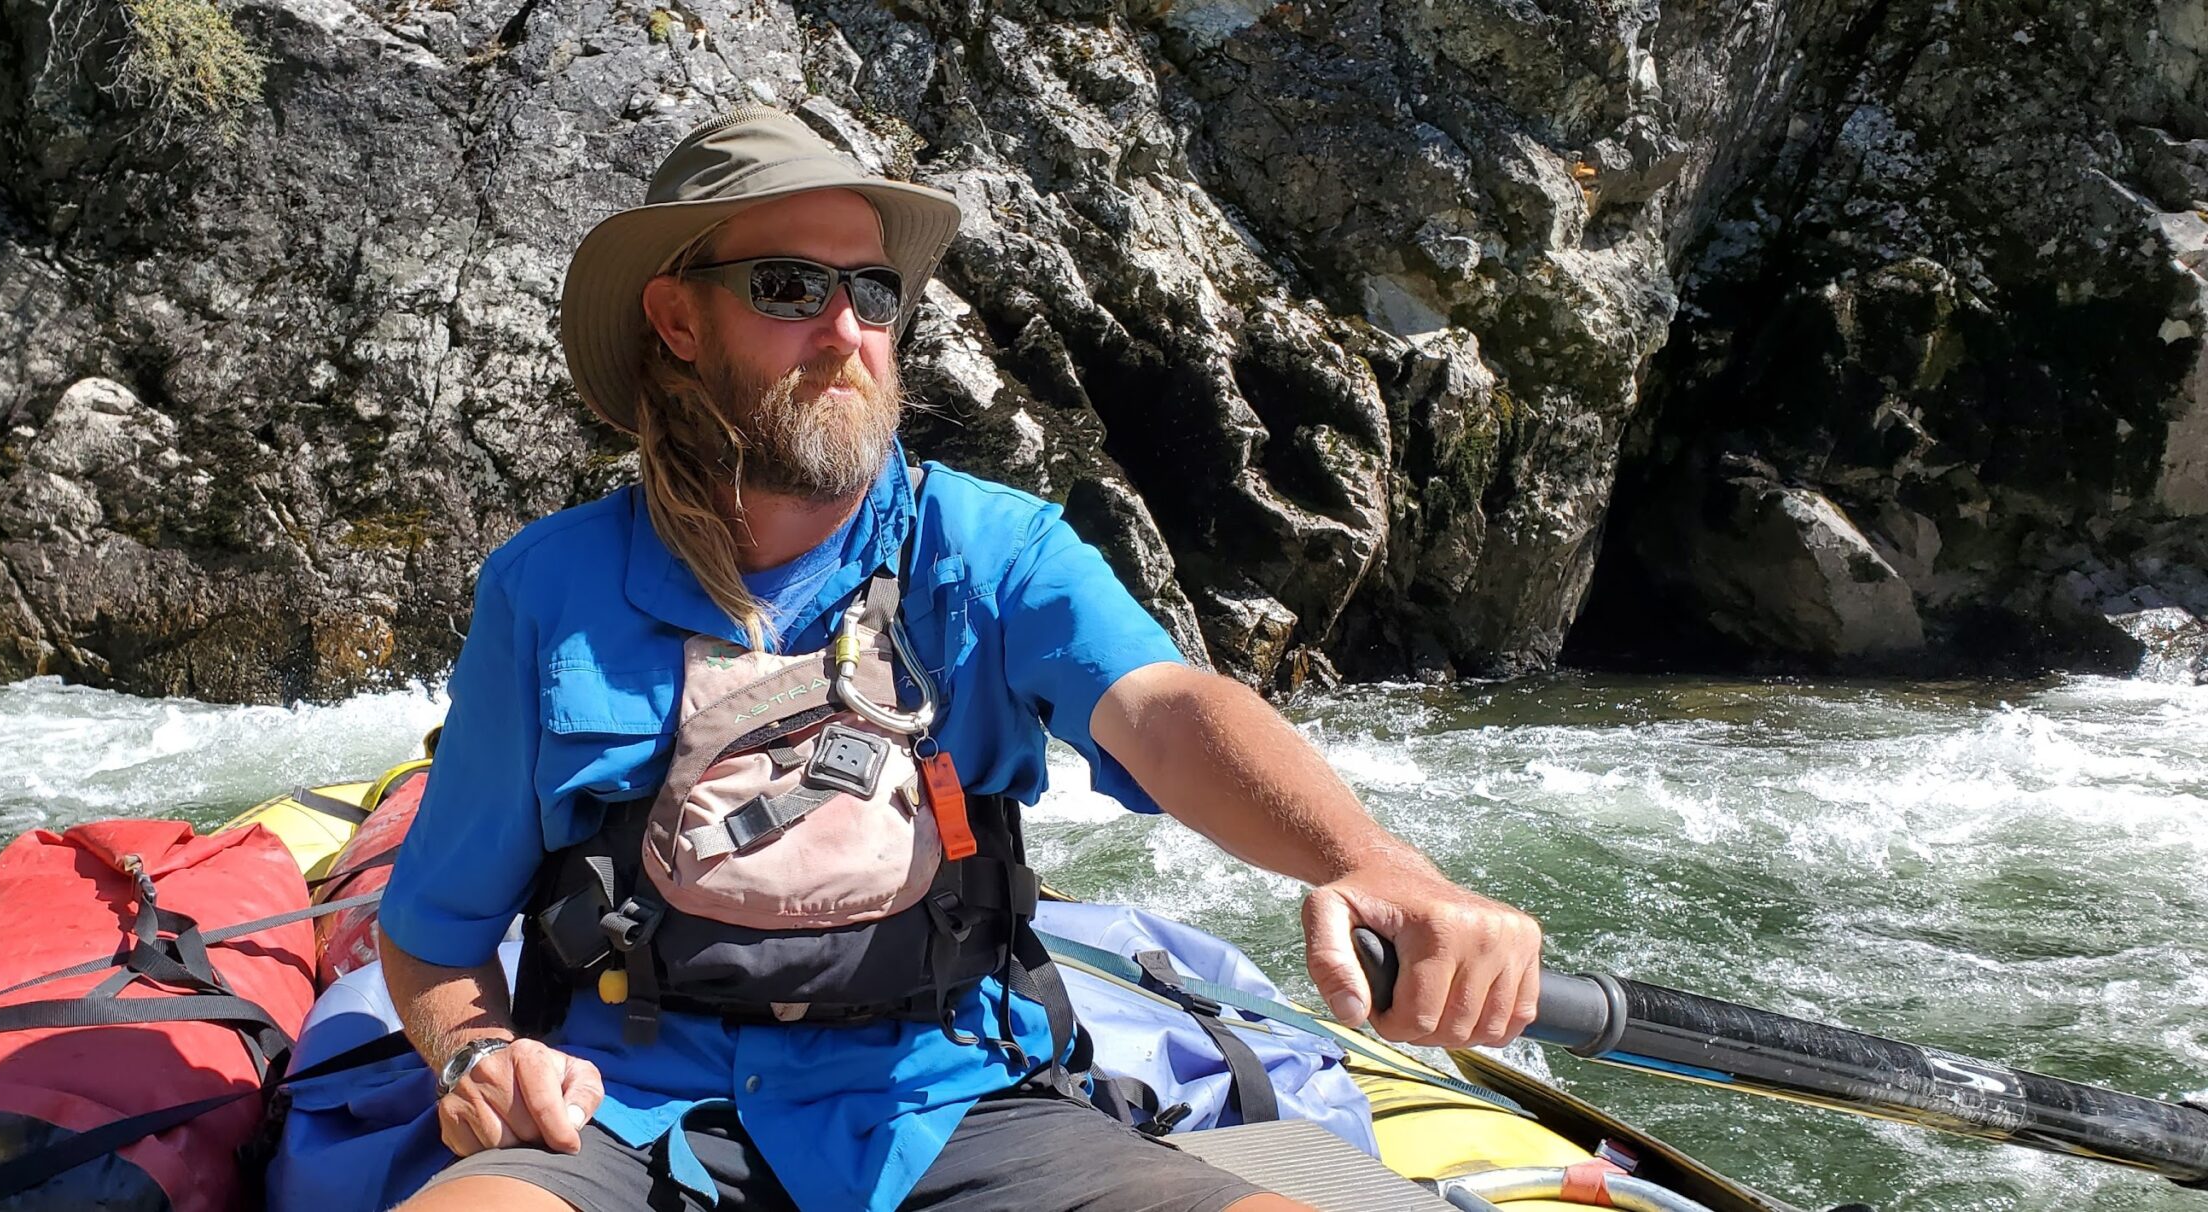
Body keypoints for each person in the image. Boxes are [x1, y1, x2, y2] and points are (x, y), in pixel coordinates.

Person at [377, 105, 1544, 1212]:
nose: (846, 331)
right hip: (621, 1115)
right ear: (679, 323)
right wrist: (477, 1057)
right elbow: (433, 933)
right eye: (789, 287)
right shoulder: (546, 589)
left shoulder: (993, 547)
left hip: (954, 1103)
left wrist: (1367, 859)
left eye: (873, 292)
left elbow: (1164, 708)